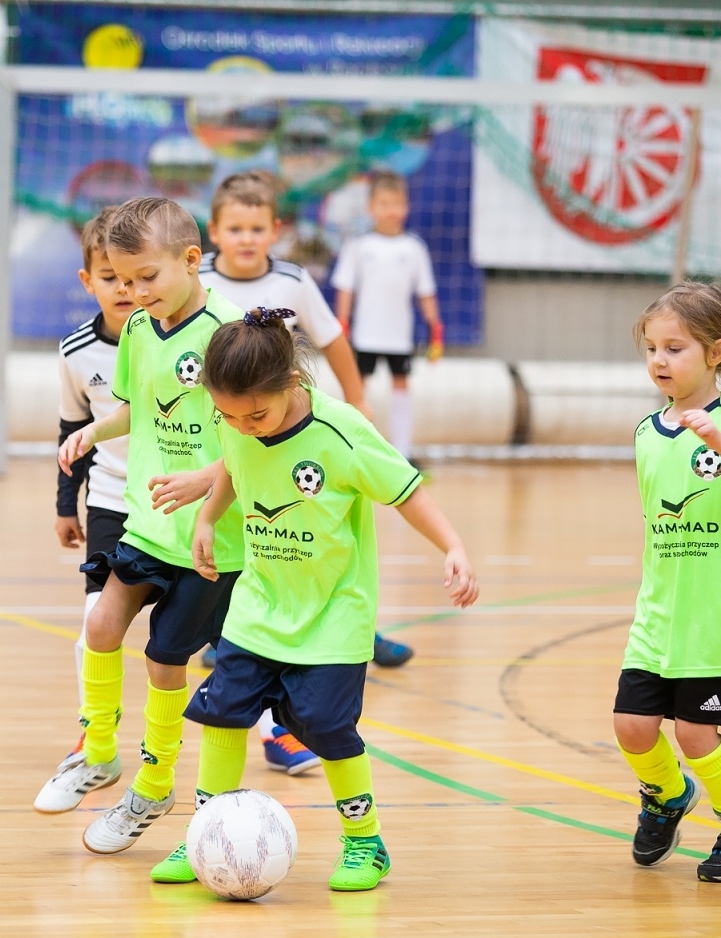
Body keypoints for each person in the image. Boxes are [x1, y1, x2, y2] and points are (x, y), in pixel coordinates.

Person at [146, 306, 478, 891]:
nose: (243, 425)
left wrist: (452, 545)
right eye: (227, 414)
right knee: (221, 713)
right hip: (258, 606)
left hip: (332, 614)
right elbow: (235, 464)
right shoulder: (235, 419)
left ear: (293, 383)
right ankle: (205, 831)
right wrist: (208, 515)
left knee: (326, 726)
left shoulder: (342, 431)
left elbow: (406, 492)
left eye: (256, 414)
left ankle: (364, 842)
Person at [41, 197, 246, 853]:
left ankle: (154, 785)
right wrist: (90, 434)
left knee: (165, 658)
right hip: (147, 522)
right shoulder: (135, 330)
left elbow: (258, 432)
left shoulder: (230, 332)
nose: (132, 294)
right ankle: (99, 751)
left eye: (146, 279)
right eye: (122, 282)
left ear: (192, 260)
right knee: (100, 623)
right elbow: (137, 410)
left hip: (211, 534)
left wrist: (206, 483)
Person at [203, 174, 415, 694]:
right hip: (227, 432)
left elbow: (333, 338)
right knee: (241, 537)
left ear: (275, 230)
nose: (247, 238)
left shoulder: (293, 281)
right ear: (214, 232)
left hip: (283, 434)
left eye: (257, 227)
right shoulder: (198, 280)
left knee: (307, 536)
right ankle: (228, 633)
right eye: (236, 227)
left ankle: (355, 630)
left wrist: (358, 397)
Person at [615, 281, 721, 883]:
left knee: (695, 732)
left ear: (716, 353)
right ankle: (666, 796)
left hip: (718, 617)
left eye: (675, 348)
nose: (659, 360)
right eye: (651, 348)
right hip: (660, 613)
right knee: (632, 727)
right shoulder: (644, 431)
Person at [34, 209, 135, 811]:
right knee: (94, 627)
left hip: (182, 504)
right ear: (87, 280)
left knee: (219, 637)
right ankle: (97, 737)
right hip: (111, 503)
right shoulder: (76, 352)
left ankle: (270, 728)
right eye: (109, 277)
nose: (124, 289)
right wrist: (64, 504)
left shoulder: (179, 339)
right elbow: (72, 428)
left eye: (133, 276)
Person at [330, 170, 443, 462]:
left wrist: (435, 328)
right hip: (366, 334)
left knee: (402, 386)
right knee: (358, 387)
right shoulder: (358, 246)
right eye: (383, 203)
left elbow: (425, 292)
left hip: (399, 336)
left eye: (397, 203)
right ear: (370, 208)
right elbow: (345, 289)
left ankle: (403, 452)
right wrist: (342, 324)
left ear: (406, 207)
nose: (391, 210)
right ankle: (352, 449)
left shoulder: (414, 248)